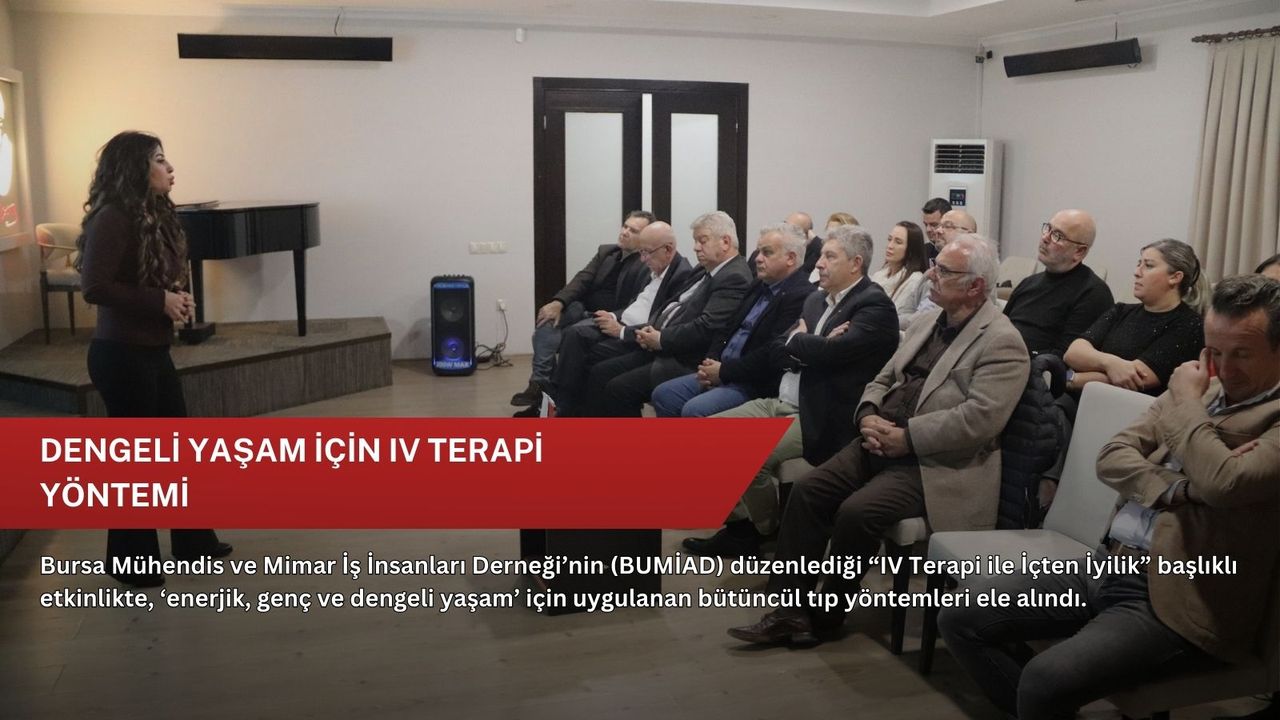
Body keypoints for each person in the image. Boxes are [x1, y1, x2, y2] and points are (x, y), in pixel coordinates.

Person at [939, 274, 1280, 720]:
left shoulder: (1216, 399)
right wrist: (1179, 487)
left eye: (1242, 354)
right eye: (1213, 352)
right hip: (1111, 562)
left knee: (1043, 680)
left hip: (1184, 595)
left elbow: (1224, 483)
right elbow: (1113, 455)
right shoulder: (1205, 389)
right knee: (960, 614)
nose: (1224, 368)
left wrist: (1187, 406)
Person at [727, 234, 1029, 645]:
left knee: (857, 512)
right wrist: (867, 413)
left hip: (935, 463)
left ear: (975, 286)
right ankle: (788, 610)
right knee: (809, 491)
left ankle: (826, 617)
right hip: (878, 439)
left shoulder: (1002, 341)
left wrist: (908, 437)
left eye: (944, 271)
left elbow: (979, 421)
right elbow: (882, 378)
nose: (931, 276)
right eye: (935, 267)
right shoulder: (927, 322)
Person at [682, 225, 899, 556]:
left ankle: (767, 532)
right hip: (781, 400)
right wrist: (812, 342)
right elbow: (777, 349)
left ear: (856, 264)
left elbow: (833, 353)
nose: (819, 264)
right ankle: (745, 527)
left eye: (829, 257)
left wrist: (803, 341)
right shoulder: (816, 299)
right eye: (821, 256)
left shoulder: (873, 305)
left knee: (746, 456)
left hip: (821, 414)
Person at [76, 131, 231, 587]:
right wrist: (158, 301)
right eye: (159, 160)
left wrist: (174, 300)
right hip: (120, 356)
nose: (170, 167)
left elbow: (148, 281)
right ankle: (131, 562)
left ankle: (192, 543)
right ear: (135, 169)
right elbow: (94, 287)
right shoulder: (112, 217)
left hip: (150, 351)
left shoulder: (152, 214)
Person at [581, 211, 752, 417]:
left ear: (725, 242)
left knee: (619, 389)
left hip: (685, 358)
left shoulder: (734, 276)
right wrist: (651, 331)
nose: (696, 247)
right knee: (600, 369)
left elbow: (706, 327)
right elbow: (671, 305)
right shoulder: (705, 269)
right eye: (695, 241)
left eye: (702, 241)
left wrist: (661, 338)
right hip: (664, 344)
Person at [651, 223, 815, 418]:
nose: (758, 258)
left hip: (754, 381)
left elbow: (771, 353)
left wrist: (723, 372)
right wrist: (710, 362)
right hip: (723, 369)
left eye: (767, 253)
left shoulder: (801, 295)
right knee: (664, 394)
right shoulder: (759, 284)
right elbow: (727, 327)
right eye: (758, 251)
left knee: (694, 409)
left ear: (790, 258)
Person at [510, 210, 653, 413]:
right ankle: (539, 383)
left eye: (634, 231)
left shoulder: (646, 262)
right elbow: (582, 279)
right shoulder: (607, 252)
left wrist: (613, 317)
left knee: (573, 334)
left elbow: (636, 305)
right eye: (625, 226)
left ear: (646, 237)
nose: (625, 232)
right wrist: (558, 302)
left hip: (608, 316)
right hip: (582, 308)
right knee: (547, 319)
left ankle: (552, 401)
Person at [549, 221, 691, 416]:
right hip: (622, 324)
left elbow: (664, 322)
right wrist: (613, 315)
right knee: (575, 335)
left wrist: (621, 330)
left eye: (647, 252)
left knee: (589, 354)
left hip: (639, 336)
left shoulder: (681, 276)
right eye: (641, 252)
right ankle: (566, 406)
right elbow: (636, 305)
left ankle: (569, 409)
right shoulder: (657, 268)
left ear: (667, 249)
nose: (643, 259)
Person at [1062, 239, 1207, 406]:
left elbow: (1136, 378)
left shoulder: (1190, 325)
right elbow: (1073, 353)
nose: (1137, 272)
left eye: (1148, 266)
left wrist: (1071, 379)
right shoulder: (1121, 310)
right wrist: (1110, 363)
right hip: (1085, 401)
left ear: (1175, 277)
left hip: (1132, 412)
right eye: (1139, 264)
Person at [1003, 209, 1113, 357]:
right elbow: (1000, 327)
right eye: (1048, 228)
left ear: (1079, 251)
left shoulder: (1093, 294)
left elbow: (1065, 357)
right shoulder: (1029, 283)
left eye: (1057, 236)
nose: (1045, 238)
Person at [870, 221, 930, 323]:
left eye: (898, 242)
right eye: (889, 239)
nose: (890, 246)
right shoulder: (878, 275)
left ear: (911, 248)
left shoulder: (915, 280)